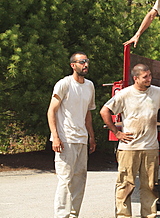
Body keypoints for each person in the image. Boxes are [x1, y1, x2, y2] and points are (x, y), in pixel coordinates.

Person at [100, 64, 160, 218]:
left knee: (150, 186)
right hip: (128, 148)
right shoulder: (125, 94)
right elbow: (105, 110)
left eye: (150, 75)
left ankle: (149, 215)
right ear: (135, 78)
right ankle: (123, 216)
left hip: (150, 147)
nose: (149, 79)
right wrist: (117, 133)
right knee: (125, 185)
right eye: (145, 77)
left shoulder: (157, 92)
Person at [47, 52, 96, 218]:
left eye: (87, 62)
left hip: (81, 139)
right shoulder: (64, 84)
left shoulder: (89, 86)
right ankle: (62, 215)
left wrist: (91, 136)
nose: (85, 65)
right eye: (82, 62)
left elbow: (88, 113)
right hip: (65, 139)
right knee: (65, 180)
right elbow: (51, 111)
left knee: (79, 180)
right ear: (73, 65)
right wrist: (55, 137)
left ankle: (74, 214)